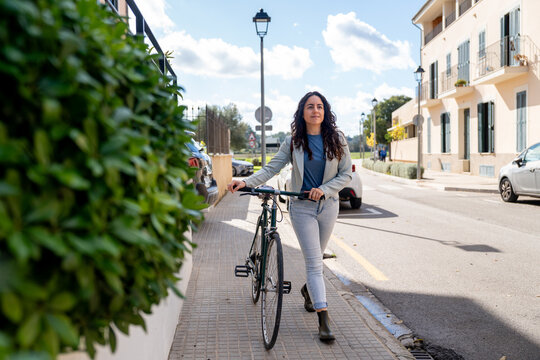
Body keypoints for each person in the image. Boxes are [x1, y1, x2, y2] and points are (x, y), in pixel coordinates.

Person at [227, 91, 352, 342]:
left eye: (319, 106)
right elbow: (273, 168)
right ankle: (323, 319)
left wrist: (324, 190)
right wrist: (246, 181)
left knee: (317, 258)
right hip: (302, 208)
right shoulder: (294, 141)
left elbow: (346, 174)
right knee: (315, 264)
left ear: (325, 112)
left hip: (329, 206)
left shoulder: (337, 139)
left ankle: (309, 290)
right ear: (302, 112)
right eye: (310, 106)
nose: (315, 110)